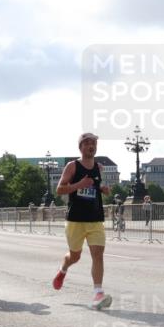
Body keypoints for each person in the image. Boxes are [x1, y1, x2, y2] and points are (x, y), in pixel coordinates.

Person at [52, 132, 113, 310]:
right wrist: (78, 185)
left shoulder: (98, 167)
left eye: (93, 143)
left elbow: (95, 185)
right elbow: (59, 190)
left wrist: (103, 188)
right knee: (75, 256)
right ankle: (63, 270)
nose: (91, 145)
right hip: (75, 220)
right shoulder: (73, 166)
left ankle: (97, 293)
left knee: (98, 255)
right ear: (81, 147)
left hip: (95, 218)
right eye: (87, 143)